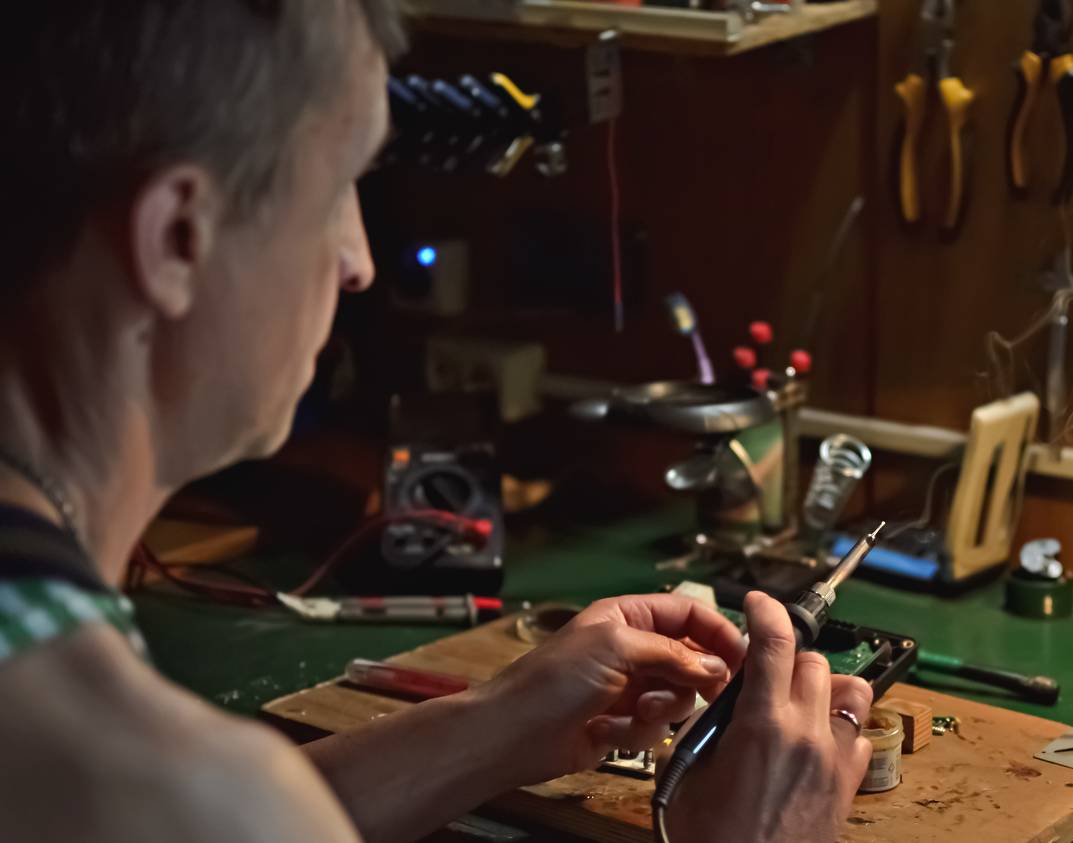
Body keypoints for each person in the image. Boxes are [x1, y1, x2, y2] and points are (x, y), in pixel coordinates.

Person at [0, 3, 873, 841]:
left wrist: (498, 722)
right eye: (339, 188)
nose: (359, 263)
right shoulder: (140, 774)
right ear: (177, 239)